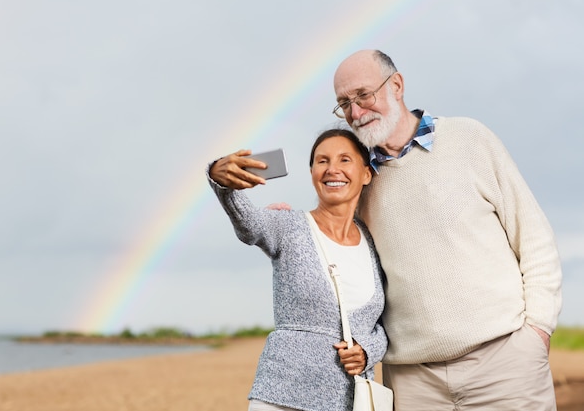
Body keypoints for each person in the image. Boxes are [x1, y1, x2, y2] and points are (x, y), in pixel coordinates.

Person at [216, 50, 563, 410]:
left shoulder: (470, 139)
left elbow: (534, 238)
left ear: (396, 85)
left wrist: (537, 332)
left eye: (364, 95)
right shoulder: (362, 180)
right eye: (344, 103)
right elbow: (329, 243)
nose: (355, 111)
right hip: (412, 381)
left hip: (504, 363)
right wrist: (279, 217)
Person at [207, 129, 387, 411]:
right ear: (313, 172)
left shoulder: (374, 240)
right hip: (283, 396)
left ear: (366, 174)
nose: (332, 169)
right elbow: (248, 224)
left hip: (349, 401)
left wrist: (367, 351)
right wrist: (220, 177)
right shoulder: (288, 225)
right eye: (322, 161)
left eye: (344, 160)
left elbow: (380, 326)